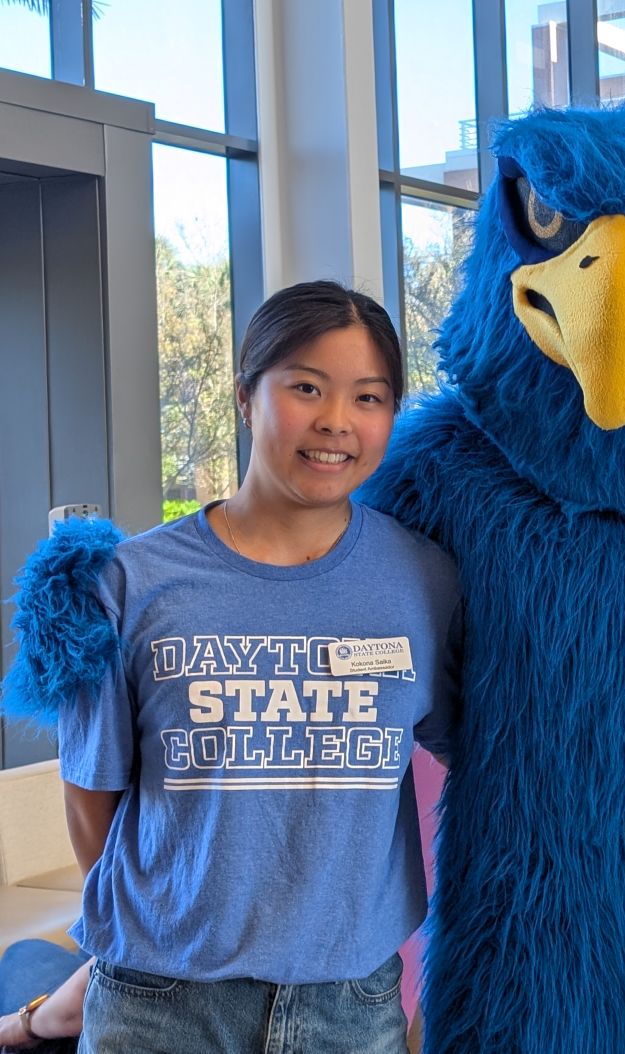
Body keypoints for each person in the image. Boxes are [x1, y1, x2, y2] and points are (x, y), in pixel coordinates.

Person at [1, 281, 463, 1053]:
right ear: (248, 396)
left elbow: (470, 765)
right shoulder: (131, 582)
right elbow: (92, 805)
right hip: (159, 1005)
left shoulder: (427, 582)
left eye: (369, 397)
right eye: (306, 387)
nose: (336, 422)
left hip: (349, 1008)